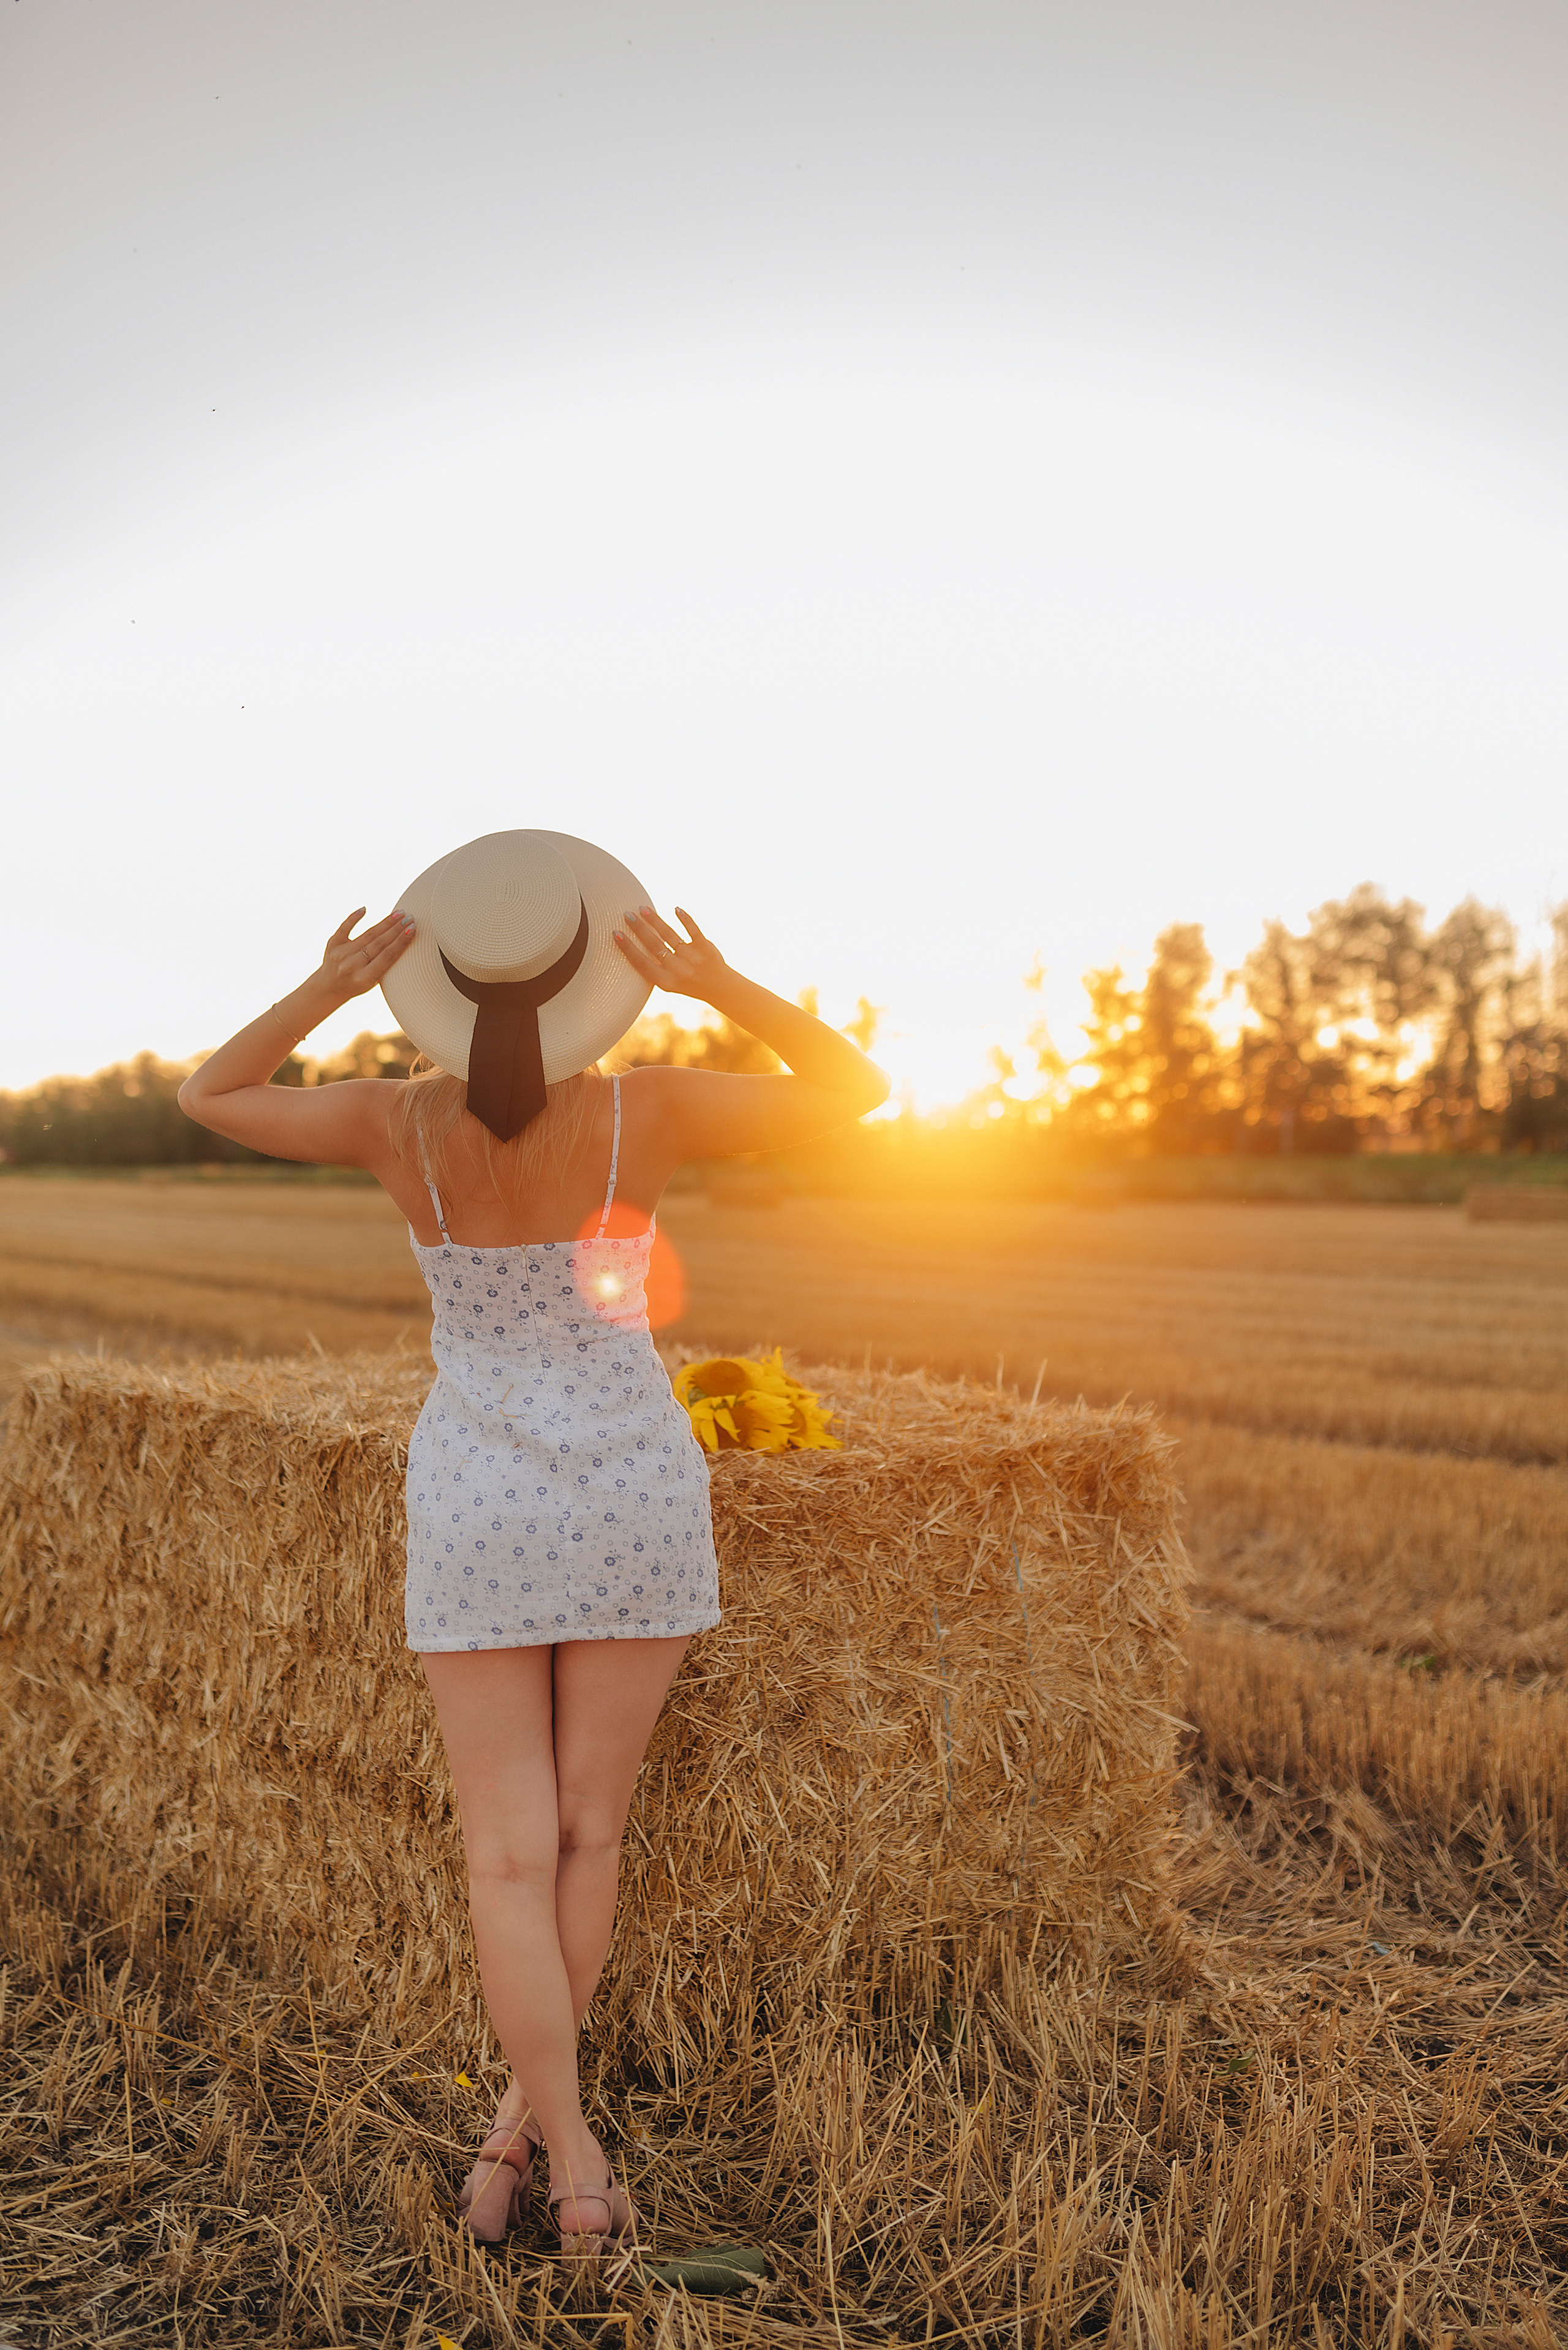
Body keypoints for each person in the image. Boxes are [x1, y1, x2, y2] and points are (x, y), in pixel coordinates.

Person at [178, 828, 888, 2258]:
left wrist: (329, 988)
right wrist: (716, 980)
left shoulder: (398, 1123)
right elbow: (855, 1089)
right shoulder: (648, 1108)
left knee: (506, 1857)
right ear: (596, 987)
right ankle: (550, 2148)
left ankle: (547, 2147)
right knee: (588, 1832)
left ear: (430, 983)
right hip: (629, 1489)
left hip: (479, 1500)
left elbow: (212, 1091)